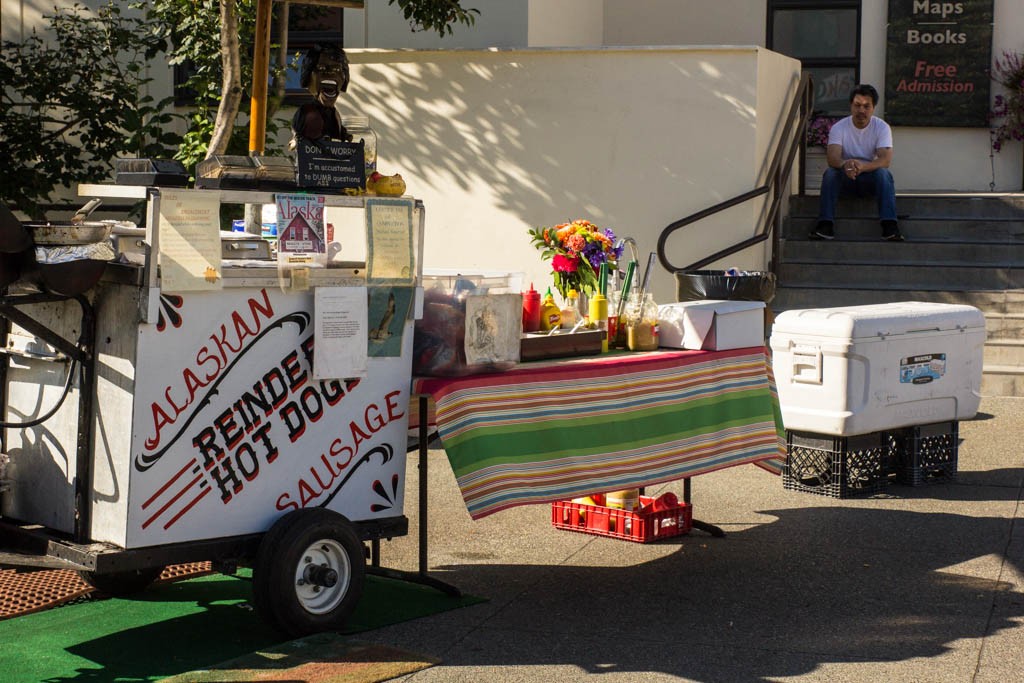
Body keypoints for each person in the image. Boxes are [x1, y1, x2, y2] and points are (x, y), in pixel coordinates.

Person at [812, 84, 903, 242]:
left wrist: (863, 167)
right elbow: (832, 158)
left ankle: (890, 226)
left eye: (867, 106)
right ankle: (825, 225)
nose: (861, 110)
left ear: (873, 107)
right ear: (851, 106)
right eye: (857, 105)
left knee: (883, 174)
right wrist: (845, 165)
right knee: (830, 174)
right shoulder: (839, 127)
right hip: (845, 179)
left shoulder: (882, 127)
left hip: (869, 180)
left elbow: (885, 160)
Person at [290, 45, 352, 146]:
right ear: (308, 77)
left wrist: (345, 135)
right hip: (311, 158)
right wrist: (296, 140)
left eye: (337, 69)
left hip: (332, 158)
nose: (330, 73)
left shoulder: (335, 113)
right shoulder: (306, 111)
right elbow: (297, 131)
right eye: (321, 68)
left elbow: (337, 131)